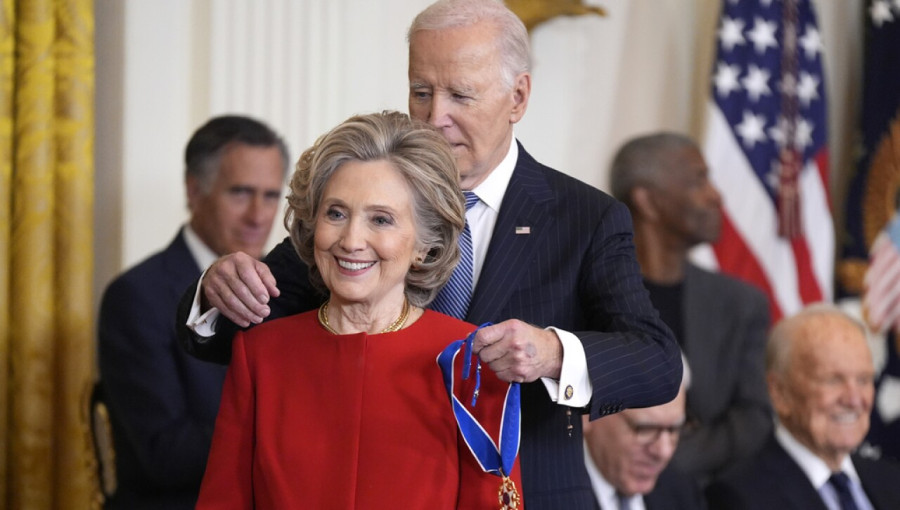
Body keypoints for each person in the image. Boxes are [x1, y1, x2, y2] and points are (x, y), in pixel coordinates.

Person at [180, 1, 681, 507]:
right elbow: (248, 325)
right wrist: (215, 291)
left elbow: (658, 362)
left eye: (461, 95)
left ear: (518, 97)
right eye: (421, 92)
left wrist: (551, 354)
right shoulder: (361, 202)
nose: (435, 117)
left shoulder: (584, 217)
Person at [195, 110, 523, 508]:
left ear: (425, 245)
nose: (351, 240)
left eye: (380, 219)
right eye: (336, 213)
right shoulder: (260, 355)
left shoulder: (469, 363)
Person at [97, 115, 289, 509]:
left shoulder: (290, 288)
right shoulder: (136, 296)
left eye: (270, 196)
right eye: (240, 193)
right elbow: (164, 454)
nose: (258, 216)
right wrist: (290, 431)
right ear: (194, 190)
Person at [608, 132, 772, 482]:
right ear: (647, 202)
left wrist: (664, 459)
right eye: (699, 180)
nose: (717, 196)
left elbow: (754, 418)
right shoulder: (589, 292)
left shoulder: (741, 305)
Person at [705, 304, 900, 510]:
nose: (853, 399)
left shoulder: (892, 481)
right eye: (833, 380)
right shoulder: (738, 497)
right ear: (779, 392)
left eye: (863, 379)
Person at [583, 355, 706, 510]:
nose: (663, 451)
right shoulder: (550, 495)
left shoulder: (681, 493)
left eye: (674, 429)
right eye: (645, 429)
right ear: (587, 415)